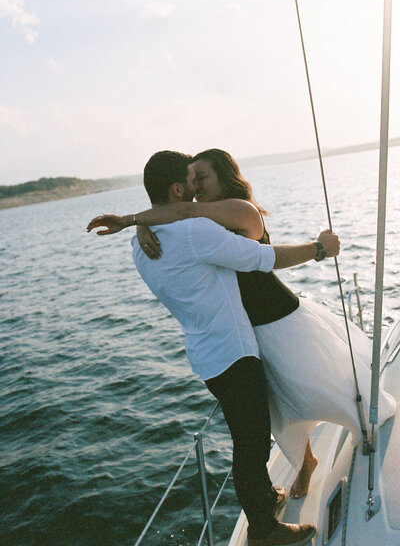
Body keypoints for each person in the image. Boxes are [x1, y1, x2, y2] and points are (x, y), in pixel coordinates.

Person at [87, 149, 396, 504]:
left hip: (280, 317)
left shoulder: (238, 210)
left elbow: (186, 211)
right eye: (191, 180)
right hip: (247, 330)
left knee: (320, 385)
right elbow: (180, 213)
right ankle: (306, 461)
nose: (195, 186)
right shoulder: (191, 221)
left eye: (201, 178)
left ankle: (365, 430)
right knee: (280, 408)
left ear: (223, 177)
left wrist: (136, 220)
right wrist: (144, 223)